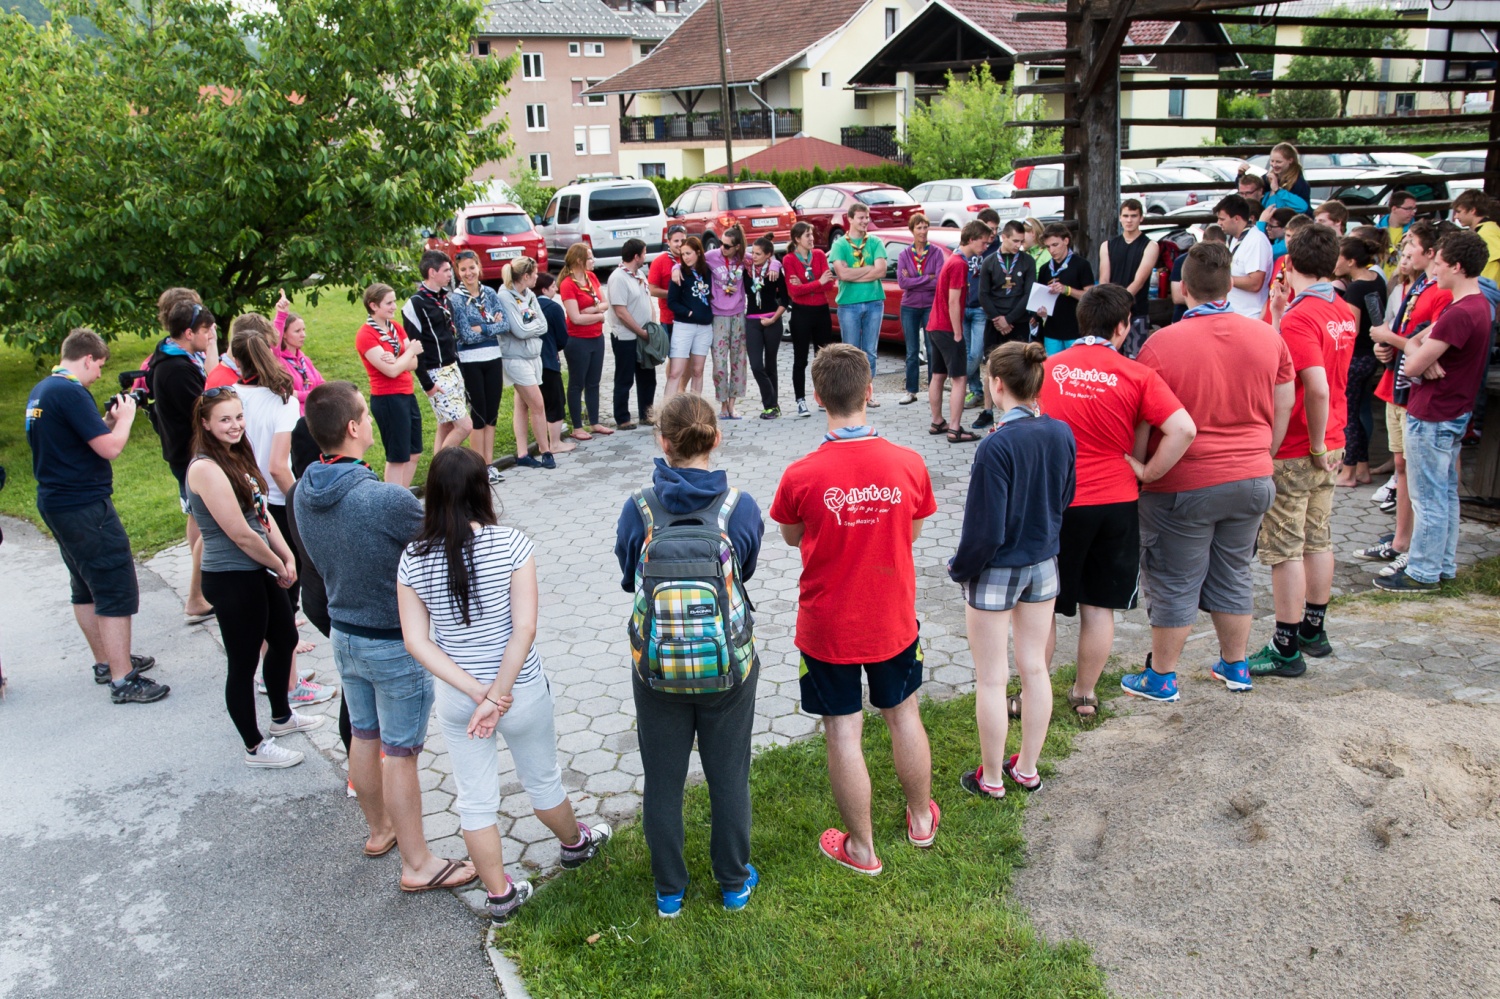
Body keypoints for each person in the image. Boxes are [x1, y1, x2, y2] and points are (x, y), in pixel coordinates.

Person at [399, 447, 611, 926]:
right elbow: (525, 630)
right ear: (483, 489)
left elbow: (416, 641)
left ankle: (500, 897)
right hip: (520, 690)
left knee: (474, 798)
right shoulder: (512, 544)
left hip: (460, 701)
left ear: (431, 495)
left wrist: (475, 693)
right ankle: (575, 844)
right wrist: (496, 694)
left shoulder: (412, 557)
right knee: (543, 780)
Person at [295, 381, 477, 893]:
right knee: (400, 751)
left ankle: (380, 831)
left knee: (363, 734)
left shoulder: (305, 489)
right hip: (393, 642)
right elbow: (441, 534)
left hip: (343, 635)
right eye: (366, 416)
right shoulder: (384, 499)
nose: (372, 422)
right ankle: (418, 863)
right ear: (353, 428)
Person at [769, 344, 938, 877]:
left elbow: (793, 536)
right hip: (892, 618)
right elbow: (910, 533)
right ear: (869, 392)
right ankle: (919, 820)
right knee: (903, 714)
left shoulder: (800, 474)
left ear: (818, 397)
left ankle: (862, 848)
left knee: (843, 731)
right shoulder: (909, 463)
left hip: (828, 626)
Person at [1120, 243, 1294, 701]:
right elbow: (1286, 402)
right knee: (1234, 572)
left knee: (1175, 577)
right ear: (1226, 283)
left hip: (1184, 484)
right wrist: (1264, 454)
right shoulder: (1267, 336)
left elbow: (1143, 418)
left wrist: (1142, 471)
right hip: (1253, 476)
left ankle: (1161, 676)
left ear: (1184, 288)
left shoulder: (1161, 344)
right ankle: (1235, 666)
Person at [613, 393, 765, 917]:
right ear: (716, 438)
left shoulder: (638, 507)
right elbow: (741, 570)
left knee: (663, 779)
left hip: (656, 670)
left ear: (663, 442)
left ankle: (670, 891)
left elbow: (629, 573)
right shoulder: (738, 506)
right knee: (729, 775)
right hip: (728, 669)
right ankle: (733, 883)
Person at [1039, 286, 1194, 719]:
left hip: (1058, 503)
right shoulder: (1137, 374)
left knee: (1042, 606)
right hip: (1115, 502)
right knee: (1099, 606)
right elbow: (1183, 429)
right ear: (1123, 326)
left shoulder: (1048, 368)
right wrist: (1148, 472)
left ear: (1080, 322)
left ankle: (1037, 695)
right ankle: (1084, 694)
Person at [949, 341, 1075, 797]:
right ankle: (1027, 768)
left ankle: (993, 778)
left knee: (991, 677)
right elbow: (1065, 498)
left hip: (997, 568)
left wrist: (959, 568)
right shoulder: (1062, 433)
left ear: (997, 384)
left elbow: (984, 530)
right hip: (1043, 562)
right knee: (1035, 669)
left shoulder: (995, 445)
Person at [26, 328, 166, 703]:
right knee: (114, 585)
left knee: (84, 584)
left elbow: (82, 439)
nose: (101, 375)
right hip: (84, 505)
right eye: (100, 366)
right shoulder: (70, 392)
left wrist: (106, 418)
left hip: (57, 501)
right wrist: (127, 418)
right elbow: (110, 448)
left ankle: (106, 661)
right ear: (87, 358)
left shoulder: (44, 389)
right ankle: (124, 679)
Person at [186, 388, 322, 765]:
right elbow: (240, 533)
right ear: (205, 424)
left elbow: (261, 516)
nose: (235, 426)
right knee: (243, 663)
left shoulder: (236, 456)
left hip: (258, 567)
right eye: (225, 420)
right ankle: (255, 746)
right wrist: (277, 564)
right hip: (231, 577)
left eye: (238, 417)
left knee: (285, 637)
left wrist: (287, 555)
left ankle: (282, 718)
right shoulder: (205, 468)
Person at [1251, 224, 1356, 679]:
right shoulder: (1342, 309)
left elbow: (1313, 385)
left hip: (1300, 445)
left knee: (1285, 549)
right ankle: (1314, 628)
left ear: (1288, 264)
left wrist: (1311, 443)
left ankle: (1285, 645)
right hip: (1333, 437)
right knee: (1319, 536)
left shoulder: (1301, 317)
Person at [1374, 231, 1494, 593]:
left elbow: (1411, 364)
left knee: (1428, 497)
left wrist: (1415, 351)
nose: (1435, 271)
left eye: (1439, 264)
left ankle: (1423, 572)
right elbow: (1418, 346)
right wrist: (1417, 348)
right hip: (1452, 411)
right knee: (1444, 494)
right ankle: (1442, 564)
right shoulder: (1478, 306)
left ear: (1457, 266)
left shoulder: (1460, 312)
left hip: (1433, 413)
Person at [232, 324, 334, 705]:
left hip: (242, 497)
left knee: (265, 591)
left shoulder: (229, 395)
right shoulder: (282, 401)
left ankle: (273, 671)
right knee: (286, 594)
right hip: (274, 500)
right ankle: (290, 684)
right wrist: (298, 501)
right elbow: (278, 464)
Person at [1364, 223, 1452, 575]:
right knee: (1400, 468)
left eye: (1412, 244)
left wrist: (1393, 339)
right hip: (1394, 384)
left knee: (1418, 474)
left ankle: (1416, 546)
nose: (1404, 251)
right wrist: (1383, 345)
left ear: (1432, 254)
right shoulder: (1407, 286)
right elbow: (1399, 333)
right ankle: (1400, 540)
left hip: (1414, 390)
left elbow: (1428, 346)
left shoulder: (1440, 292)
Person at [147, 296, 219, 624]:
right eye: (207, 330)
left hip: (183, 451)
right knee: (210, 522)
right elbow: (210, 402)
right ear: (189, 333)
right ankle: (197, 596)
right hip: (190, 452)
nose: (211, 335)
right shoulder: (176, 369)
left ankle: (199, 586)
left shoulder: (170, 355)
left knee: (195, 515)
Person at [356, 282, 425, 488]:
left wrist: (399, 358)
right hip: (387, 398)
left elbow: (413, 364)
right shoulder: (366, 335)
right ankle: (393, 502)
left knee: (414, 451)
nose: (394, 306)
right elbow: (392, 370)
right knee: (398, 455)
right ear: (373, 306)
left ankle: (401, 496)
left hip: (406, 393)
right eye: (389, 302)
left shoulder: (395, 327)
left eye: (394, 301)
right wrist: (409, 351)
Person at [926, 221, 990, 444]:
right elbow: (954, 301)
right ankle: (954, 428)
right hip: (946, 327)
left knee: (937, 375)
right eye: (983, 241)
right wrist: (957, 332)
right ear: (971, 239)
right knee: (960, 378)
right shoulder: (959, 264)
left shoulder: (952, 259)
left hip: (934, 325)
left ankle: (937, 421)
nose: (985, 245)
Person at [403, 250, 473, 453]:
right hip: (435, 372)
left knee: (447, 424)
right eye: (446, 270)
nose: (451, 274)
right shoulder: (415, 305)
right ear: (432, 272)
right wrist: (427, 383)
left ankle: (438, 475)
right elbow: (414, 345)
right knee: (464, 426)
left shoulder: (444, 299)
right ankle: (442, 469)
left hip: (452, 368)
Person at [449, 249, 508, 482]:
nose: (468, 273)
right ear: (458, 271)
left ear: (478, 267)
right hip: (470, 361)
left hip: (493, 357)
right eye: (463, 269)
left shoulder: (490, 293)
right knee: (479, 415)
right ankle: (477, 468)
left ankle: (489, 463)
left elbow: (504, 325)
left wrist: (481, 327)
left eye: (472, 267)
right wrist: (489, 325)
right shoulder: (456, 299)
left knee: (492, 413)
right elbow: (464, 335)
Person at [1335, 232, 1389, 488]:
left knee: (1350, 416)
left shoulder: (1356, 288)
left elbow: (1351, 328)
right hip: (1371, 356)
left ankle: (1348, 473)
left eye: (1339, 257)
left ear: (1351, 261)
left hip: (1356, 358)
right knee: (1359, 411)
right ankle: (1364, 469)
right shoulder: (1376, 279)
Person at [975, 220, 1038, 430]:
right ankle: (987, 410)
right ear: (1004, 237)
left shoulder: (1027, 261)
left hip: (1017, 322)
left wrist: (1009, 319)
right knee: (991, 365)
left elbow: (1028, 294)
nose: (1018, 245)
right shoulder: (989, 261)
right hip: (994, 322)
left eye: (1021, 241)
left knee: (1019, 365)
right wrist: (998, 319)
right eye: (1014, 241)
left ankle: (1020, 410)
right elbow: (983, 294)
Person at [495, 257, 554, 469]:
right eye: (535, 274)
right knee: (538, 404)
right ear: (526, 276)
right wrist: (531, 328)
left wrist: (529, 328)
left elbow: (543, 324)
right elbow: (517, 330)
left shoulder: (529, 294)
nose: (538, 277)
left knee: (522, 404)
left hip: (532, 356)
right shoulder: (505, 296)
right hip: (515, 358)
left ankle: (522, 454)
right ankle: (546, 450)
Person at [828, 203, 887, 391]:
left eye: (867, 217)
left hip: (874, 301)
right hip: (849, 304)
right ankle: (853, 393)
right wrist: (869, 269)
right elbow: (842, 275)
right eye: (861, 217)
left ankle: (867, 392)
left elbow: (882, 271)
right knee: (851, 351)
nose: (865, 221)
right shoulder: (840, 245)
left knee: (870, 350)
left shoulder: (875, 242)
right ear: (850, 219)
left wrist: (855, 272)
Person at [782, 221, 835, 418]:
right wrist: (817, 282)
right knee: (801, 359)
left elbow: (828, 285)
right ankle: (800, 400)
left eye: (812, 235)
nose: (812, 239)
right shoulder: (789, 260)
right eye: (807, 236)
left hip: (821, 311)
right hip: (801, 313)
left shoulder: (820, 255)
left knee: (823, 358)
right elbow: (793, 291)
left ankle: (823, 397)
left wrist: (809, 284)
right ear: (797, 239)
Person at [559, 243, 612, 440]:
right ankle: (577, 426)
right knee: (576, 383)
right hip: (578, 340)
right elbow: (575, 318)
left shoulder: (592, 278)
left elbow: (605, 303)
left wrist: (591, 310)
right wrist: (598, 316)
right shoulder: (567, 284)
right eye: (590, 258)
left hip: (596, 337)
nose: (593, 261)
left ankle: (595, 421)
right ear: (579, 261)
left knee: (593, 382)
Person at [607, 238, 658, 430]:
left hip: (644, 335)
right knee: (625, 377)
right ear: (636, 256)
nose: (645, 256)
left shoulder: (640, 274)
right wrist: (640, 331)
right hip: (627, 337)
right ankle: (622, 417)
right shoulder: (618, 278)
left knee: (647, 376)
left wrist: (651, 327)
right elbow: (621, 311)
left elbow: (647, 300)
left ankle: (646, 414)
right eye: (644, 253)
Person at [1098, 199, 1161, 351]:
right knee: (1111, 359)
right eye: (1125, 216)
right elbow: (1104, 280)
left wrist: (1117, 304)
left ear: (1141, 218)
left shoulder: (1150, 245)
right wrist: (1109, 307)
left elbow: (1139, 281)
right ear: (1120, 217)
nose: (1129, 220)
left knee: (1135, 359)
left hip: (1136, 312)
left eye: (1133, 216)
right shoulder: (1107, 245)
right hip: (1112, 314)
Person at [895, 213, 944, 406]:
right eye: (919, 228)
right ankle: (911, 390)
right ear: (912, 230)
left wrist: (915, 281)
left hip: (930, 305)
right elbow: (902, 282)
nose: (923, 232)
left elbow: (939, 281)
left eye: (925, 227)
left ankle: (934, 389)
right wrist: (927, 278)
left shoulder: (937, 253)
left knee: (932, 349)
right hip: (909, 306)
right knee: (912, 350)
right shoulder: (904, 254)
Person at [705, 225, 750, 420]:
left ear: (737, 247)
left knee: (738, 361)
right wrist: (674, 269)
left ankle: (732, 404)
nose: (722, 248)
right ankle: (722, 405)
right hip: (718, 315)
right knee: (720, 363)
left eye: (727, 246)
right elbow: (687, 261)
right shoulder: (711, 256)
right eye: (721, 243)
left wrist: (773, 265)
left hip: (738, 314)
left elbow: (768, 259)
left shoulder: (744, 259)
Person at [664, 236, 714, 400]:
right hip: (684, 326)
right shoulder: (680, 273)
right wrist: (688, 313)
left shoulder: (707, 271)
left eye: (688, 253)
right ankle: (667, 411)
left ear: (698, 253)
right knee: (676, 371)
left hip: (704, 327)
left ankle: (695, 410)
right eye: (682, 254)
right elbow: (672, 301)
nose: (685, 257)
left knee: (698, 371)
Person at [962, 209, 1003, 408]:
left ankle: (958, 378)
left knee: (977, 354)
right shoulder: (968, 247)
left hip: (980, 309)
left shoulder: (997, 250)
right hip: (964, 306)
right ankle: (975, 390)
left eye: (996, 229)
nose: (993, 233)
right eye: (989, 229)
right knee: (967, 351)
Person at [743, 235, 787, 419]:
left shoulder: (774, 272)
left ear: (769, 255)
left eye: (758, 254)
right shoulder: (746, 270)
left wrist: (773, 319)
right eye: (753, 252)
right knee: (755, 364)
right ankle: (772, 402)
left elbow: (785, 299)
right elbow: (737, 253)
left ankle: (771, 406)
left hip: (772, 321)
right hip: (752, 321)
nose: (754, 256)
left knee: (770, 365)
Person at [1035, 222, 1095, 354]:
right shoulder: (1045, 269)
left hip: (1075, 329)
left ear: (1066, 241)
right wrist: (1040, 312)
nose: (1052, 250)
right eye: (1048, 247)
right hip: (1052, 329)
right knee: (1054, 368)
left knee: (1075, 368)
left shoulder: (1081, 265)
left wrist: (1067, 290)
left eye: (1055, 245)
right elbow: (1041, 298)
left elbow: (1091, 296)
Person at [534, 273, 577, 456]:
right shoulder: (553, 307)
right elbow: (562, 337)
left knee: (538, 404)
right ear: (544, 289)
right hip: (549, 360)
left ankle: (542, 442)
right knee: (556, 401)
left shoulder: (529, 305)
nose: (555, 290)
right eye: (552, 287)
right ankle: (555, 442)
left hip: (532, 361)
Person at [1216, 194, 1274, 320]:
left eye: (1222, 219)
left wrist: (1221, 278)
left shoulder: (1256, 240)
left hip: (1250, 316)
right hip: (1234, 313)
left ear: (1236, 218)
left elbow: (1255, 283)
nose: (1218, 223)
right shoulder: (1233, 238)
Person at [272, 290, 325, 412]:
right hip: (294, 420)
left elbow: (322, 385)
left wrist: (301, 395)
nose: (303, 335)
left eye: (304, 330)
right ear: (283, 334)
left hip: (314, 417)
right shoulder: (277, 359)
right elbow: (288, 395)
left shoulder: (304, 359)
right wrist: (281, 315)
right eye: (297, 331)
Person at [1170, 224, 1224, 322]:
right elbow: (1177, 297)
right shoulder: (1183, 261)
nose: (1215, 253)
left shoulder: (1222, 262)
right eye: (1212, 247)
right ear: (1204, 241)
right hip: (1184, 317)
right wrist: (1211, 297)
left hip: (1213, 319)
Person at [648, 224, 688, 339]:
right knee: (673, 354)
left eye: (683, 240)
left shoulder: (691, 258)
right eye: (676, 241)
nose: (680, 244)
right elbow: (652, 290)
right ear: (668, 242)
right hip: (669, 317)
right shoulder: (659, 262)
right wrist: (674, 294)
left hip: (690, 316)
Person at [1452, 189, 1500, 282]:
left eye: (1458, 211)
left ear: (1472, 210)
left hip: (1491, 290)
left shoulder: (1488, 232)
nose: (1456, 217)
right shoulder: (1487, 229)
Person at [1260, 142, 1312, 216]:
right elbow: (1252, 186)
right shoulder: (1268, 177)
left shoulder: (1299, 183)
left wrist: (1277, 190)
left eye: (1278, 162)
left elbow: (1303, 208)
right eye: (1272, 161)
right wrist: (1241, 175)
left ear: (1290, 160)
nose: (1274, 165)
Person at [1379, 191, 1418, 270]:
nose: (1413, 213)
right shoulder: (1376, 231)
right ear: (1394, 209)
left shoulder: (1415, 233)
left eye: (1414, 209)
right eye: (1409, 209)